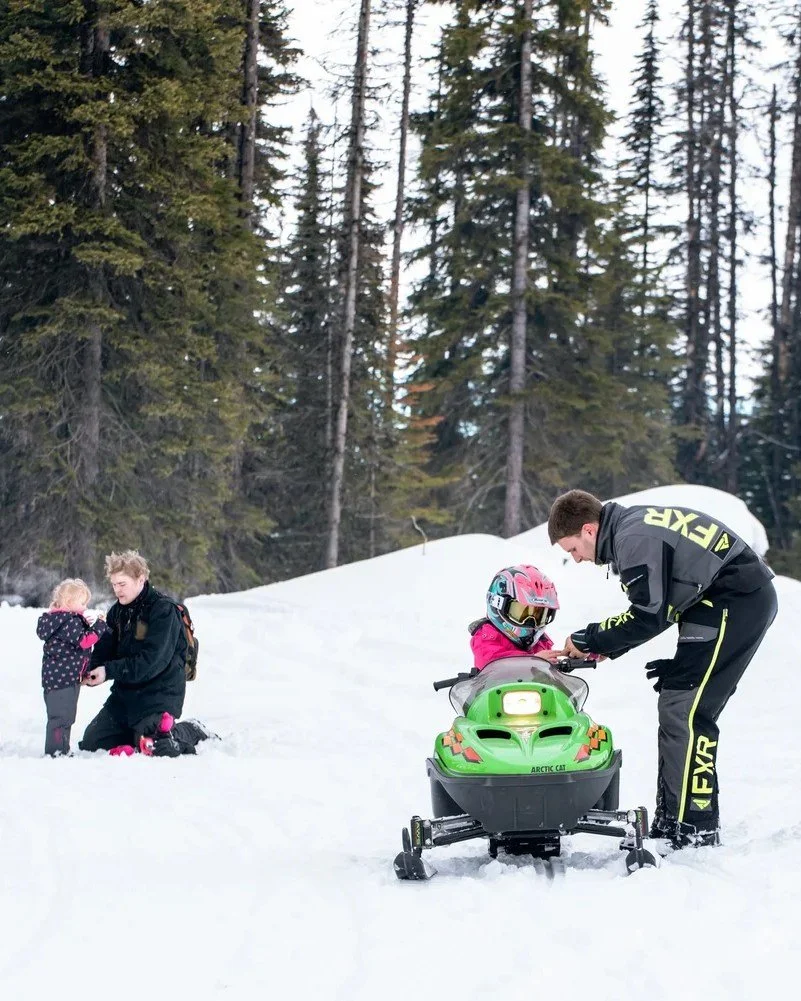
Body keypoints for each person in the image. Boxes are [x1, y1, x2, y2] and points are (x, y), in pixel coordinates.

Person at [542, 489, 778, 849]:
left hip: (735, 600)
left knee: (687, 711)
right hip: (715, 603)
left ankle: (691, 829)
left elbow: (648, 615)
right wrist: (606, 647)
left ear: (589, 530)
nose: (575, 559)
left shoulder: (632, 537)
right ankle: (674, 822)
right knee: (676, 703)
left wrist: (590, 639)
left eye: (572, 549)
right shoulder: (631, 528)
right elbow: (662, 606)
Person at [79, 550, 213, 757]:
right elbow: (105, 649)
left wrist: (108, 671)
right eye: (114, 584)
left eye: (122, 584)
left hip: (158, 695)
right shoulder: (117, 612)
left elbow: (152, 662)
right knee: (91, 742)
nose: (117, 590)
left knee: (157, 747)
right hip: (124, 697)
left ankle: (189, 729)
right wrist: (90, 669)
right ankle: (136, 734)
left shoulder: (163, 611)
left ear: (141, 579)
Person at [36, 578, 108, 756]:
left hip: (60, 678)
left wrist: (84, 623)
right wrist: (99, 626)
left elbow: (74, 643)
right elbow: (85, 641)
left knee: (65, 716)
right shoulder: (68, 621)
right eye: (82, 603)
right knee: (61, 718)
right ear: (69, 602)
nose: (85, 606)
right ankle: (56, 752)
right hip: (63, 680)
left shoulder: (60, 620)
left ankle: (62, 749)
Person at [469, 565, 559, 669]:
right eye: (522, 612)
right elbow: (492, 664)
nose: (531, 621)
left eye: (538, 614)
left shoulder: (539, 640)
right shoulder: (486, 637)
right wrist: (532, 661)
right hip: (499, 684)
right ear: (498, 604)